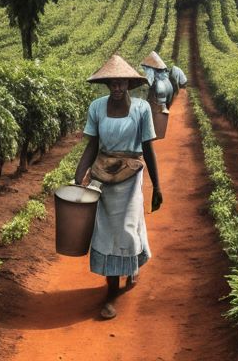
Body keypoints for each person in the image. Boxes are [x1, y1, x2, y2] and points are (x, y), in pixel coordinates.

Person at [74, 54, 162, 320]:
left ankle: (122, 281)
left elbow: (147, 147)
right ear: (107, 84)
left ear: (129, 84)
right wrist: (79, 176)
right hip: (103, 171)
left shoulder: (141, 109)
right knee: (105, 229)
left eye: (121, 83)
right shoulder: (97, 107)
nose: (117, 88)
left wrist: (157, 185)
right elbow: (92, 144)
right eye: (112, 83)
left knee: (126, 226)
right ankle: (111, 290)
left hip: (131, 172)